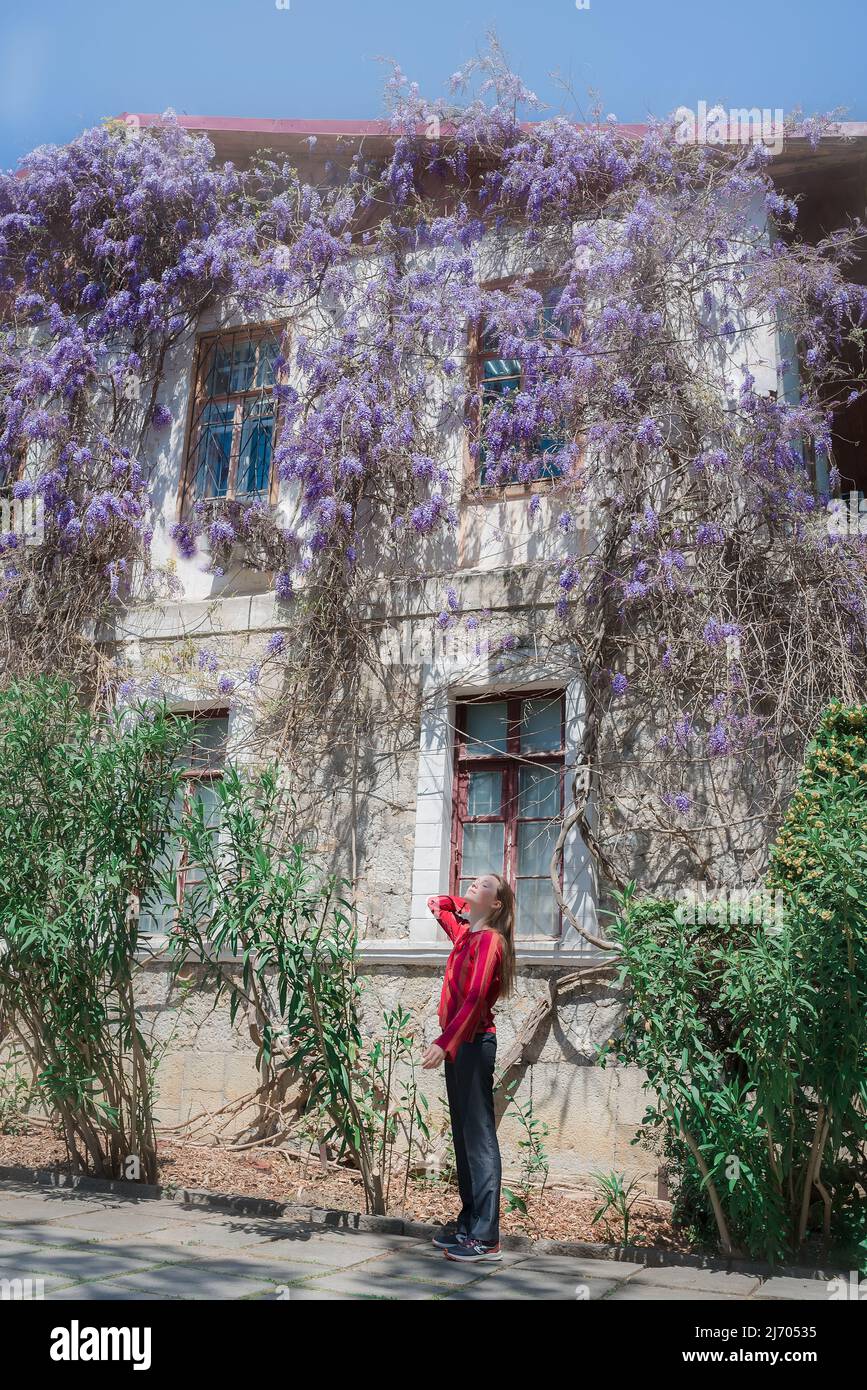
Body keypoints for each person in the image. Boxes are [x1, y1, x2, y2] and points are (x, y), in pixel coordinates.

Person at [421, 873, 516, 1262]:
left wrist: (445, 1042)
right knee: (462, 1135)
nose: (475, 885)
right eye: (473, 881)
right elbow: (435, 904)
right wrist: (466, 905)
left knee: (478, 1137)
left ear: (497, 904)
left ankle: (486, 1235)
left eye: (485, 885)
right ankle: (468, 1223)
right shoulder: (466, 935)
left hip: (473, 1045)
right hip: (459, 1046)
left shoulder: (491, 940)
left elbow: (476, 999)